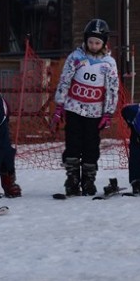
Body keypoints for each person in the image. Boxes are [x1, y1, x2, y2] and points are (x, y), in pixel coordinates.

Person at [50, 18, 120, 196]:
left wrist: (108, 113)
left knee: (91, 145)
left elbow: (112, 89)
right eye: (90, 42)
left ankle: (88, 179)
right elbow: (65, 80)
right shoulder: (76, 57)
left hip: (94, 112)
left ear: (104, 43)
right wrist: (59, 105)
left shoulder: (109, 63)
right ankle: (72, 178)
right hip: (74, 108)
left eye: (97, 43)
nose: (93, 46)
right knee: (73, 143)